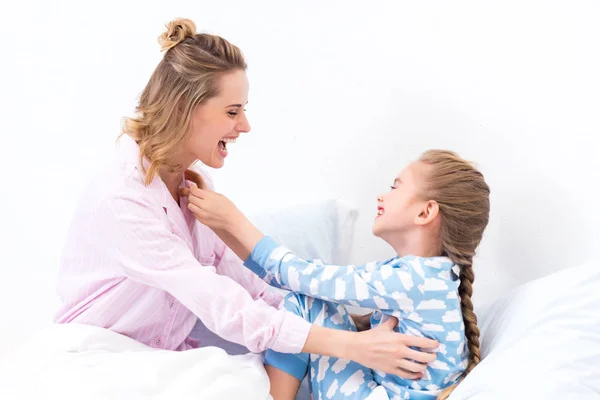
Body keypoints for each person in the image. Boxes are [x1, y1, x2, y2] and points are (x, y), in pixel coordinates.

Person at [55, 17, 439, 382]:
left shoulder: (193, 184)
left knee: (254, 372)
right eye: (232, 112)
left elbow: (244, 284)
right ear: (184, 110)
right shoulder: (124, 198)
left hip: (157, 358)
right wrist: (352, 347)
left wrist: (337, 323)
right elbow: (216, 299)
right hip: (100, 361)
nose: (245, 126)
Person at [182, 150, 490, 399]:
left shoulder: (414, 280)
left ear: (425, 213)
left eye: (396, 186)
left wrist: (233, 220)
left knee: (308, 303)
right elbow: (288, 276)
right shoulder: (428, 278)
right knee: (317, 300)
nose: (382, 196)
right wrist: (222, 225)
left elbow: (295, 275)